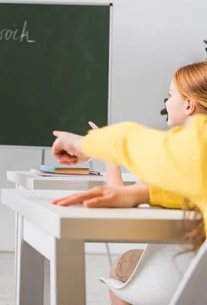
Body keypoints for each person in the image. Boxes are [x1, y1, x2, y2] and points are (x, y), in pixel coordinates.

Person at [81, 61, 207, 304]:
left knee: (120, 265)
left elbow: (120, 200)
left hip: (173, 278)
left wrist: (109, 156)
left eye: (170, 96)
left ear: (189, 105)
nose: (167, 102)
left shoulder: (170, 158)